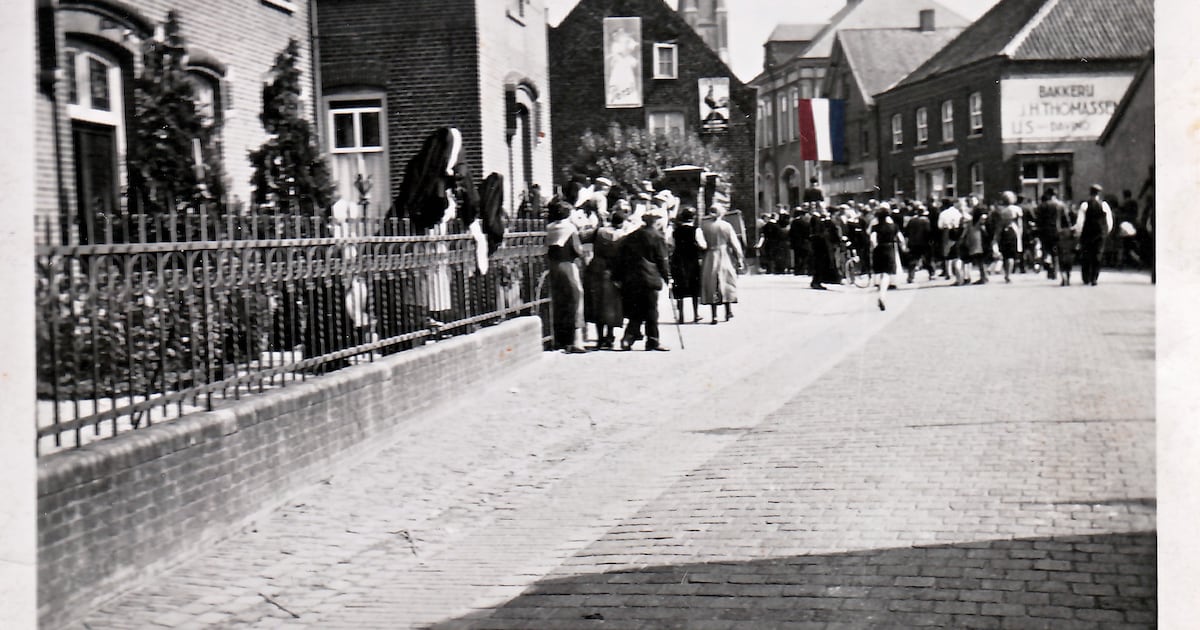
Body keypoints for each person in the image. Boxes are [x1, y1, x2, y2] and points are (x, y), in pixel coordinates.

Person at [614, 208, 671, 351]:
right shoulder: (657, 237)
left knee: (637, 309)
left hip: (632, 277)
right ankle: (652, 340)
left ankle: (628, 338)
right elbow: (661, 260)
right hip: (649, 277)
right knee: (651, 310)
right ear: (656, 221)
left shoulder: (632, 235)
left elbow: (621, 257)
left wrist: (618, 276)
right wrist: (667, 277)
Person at [545, 200, 587, 353]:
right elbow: (578, 249)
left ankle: (559, 339)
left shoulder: (549, 227)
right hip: (568, 265)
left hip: (553, 265)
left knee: (559, 301)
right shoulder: (570, 228)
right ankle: (577, 340)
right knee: (576, 298)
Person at [584, 210, 629, 349]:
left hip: (596, 269)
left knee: (597, 303)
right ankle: (609, 336)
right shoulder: (623, 236)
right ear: (622, 223)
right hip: (613, 270)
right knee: (610, 305)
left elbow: (583, 237)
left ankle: (599, 337)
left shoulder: (599, 232)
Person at [700, 204, 744, 322]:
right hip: (724, 255)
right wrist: (739, 258)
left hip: (710, 255)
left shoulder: (704, 226)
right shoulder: (726, 226)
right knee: (726, 282)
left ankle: (714, 315)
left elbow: (701, 242)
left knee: (712, 283)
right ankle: (728, 311)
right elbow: (735, 244)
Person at [669, 207, 707, 323]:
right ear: (693, 218)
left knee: (679, 287)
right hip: (692, 260)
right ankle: (696, 314)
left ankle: (681, 316)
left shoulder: (675, 231)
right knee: (694, 288)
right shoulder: (696, 230)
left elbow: (670, 245)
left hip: (679, 261)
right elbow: (703, 245)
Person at [1075, 184, 1114, 286]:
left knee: (1086, 255)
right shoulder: (1104, 205)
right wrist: (1105, 232)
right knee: (1097, 255)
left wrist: (1079, 234)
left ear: (1090, 193)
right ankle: (1094, 278)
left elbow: (1080, 222)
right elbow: (1109, 222)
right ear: (1099, 194)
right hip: (1100, 234)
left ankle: (1086, 278)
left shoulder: (1085, 205)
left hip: (1087, 234)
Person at [870, 206, 903, 310]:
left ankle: (881, 293)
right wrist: (903, 246)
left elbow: (872, 239)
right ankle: (882, 296)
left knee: (881, 273)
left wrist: (873, 248)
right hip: (889, 248)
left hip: (879, 249)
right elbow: (901, 239)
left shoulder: (875, 227)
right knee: (886, 274)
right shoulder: (894, 226)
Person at [1035, 188, 1067, 281]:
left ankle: (1049, 267)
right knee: (1056, 252)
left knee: (1046, 250)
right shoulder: (1061, 205)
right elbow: (1066, 220)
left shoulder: (1042, 206)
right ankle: (1055, 272)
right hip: (1057, 231)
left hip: (1045, 232)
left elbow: (1038, 220)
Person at [996, 191, 1024, 283]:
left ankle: (1006, 273)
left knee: (1006, 255)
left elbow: (1000, 225)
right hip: (1013, 231)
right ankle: (1009, 274)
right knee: (1012, 255)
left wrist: (997, 236)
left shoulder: (1002, 211)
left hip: (1004, 232)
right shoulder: (1017, 209)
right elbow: (1020, 224)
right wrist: (1020, 234)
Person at [937, 199, 965, 285]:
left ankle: (948, 273)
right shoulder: (958, 212)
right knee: (958, 255)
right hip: (959, 233)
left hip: (947, 234)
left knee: (948, 254)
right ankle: (961, 276)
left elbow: (940, 225)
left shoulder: (943, 213)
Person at [903, 205, 934, 283]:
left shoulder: (911, 220)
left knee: (913, 260)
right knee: (927, 260)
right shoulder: (926, 221)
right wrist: (930, 241)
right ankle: (931, 274)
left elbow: (906, 232)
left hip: (913, 243)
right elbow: (928, 232)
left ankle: (910, 277)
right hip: (924, 243)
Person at [789, 207, 810, 276]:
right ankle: (802, 269)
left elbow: (791, 233)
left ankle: (797, 270)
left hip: (795, 242)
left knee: (797, 257)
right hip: (803, 242)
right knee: (803, 256)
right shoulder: (804, 223)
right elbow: (807, 232)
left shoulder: (793, 222)